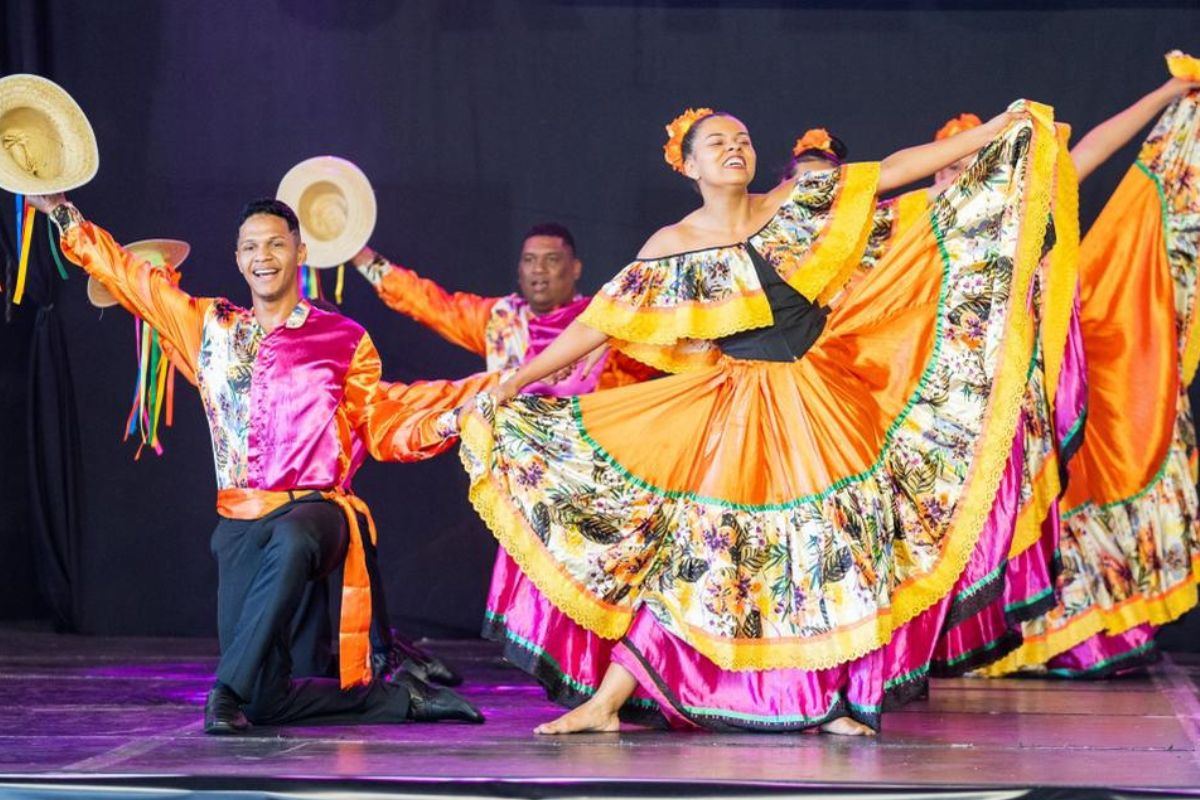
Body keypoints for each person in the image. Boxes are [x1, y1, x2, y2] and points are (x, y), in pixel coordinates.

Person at [457, 102, 1066, 735]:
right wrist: (518, 380)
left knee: (841, 541)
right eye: (717, 142)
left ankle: (837, 701)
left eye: (743, 140)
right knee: (699, 546)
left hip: (822, 398)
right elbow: (598, 323)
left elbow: (890, 171)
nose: (734, 148)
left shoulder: (794, 203)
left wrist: (993, 133)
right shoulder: (674, 244)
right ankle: (608, 701)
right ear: (689, 164)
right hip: (737, 410)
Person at [29, 193, 489, 734]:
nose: (263, 255)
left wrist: (448, 423)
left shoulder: (343, 340)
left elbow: (381, 427)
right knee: (266, 702)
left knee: (292, 541)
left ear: (300, 251)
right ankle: (396, 700)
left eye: (275, 243)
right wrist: (63, 211)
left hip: (318, 514)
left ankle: (222, 691)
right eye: (251, 246)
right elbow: (133, 279)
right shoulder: (212, 328)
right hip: (241, 520)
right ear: (238, 258)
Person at [983, 72, 1200, 677]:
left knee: (1077, 487)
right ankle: (1007, 636)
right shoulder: (953, 220)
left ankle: (1081, 634)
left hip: (1063, 363)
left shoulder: (1036, 197)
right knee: (1015, 508)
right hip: (998, 382)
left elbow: (1103, 141)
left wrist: (1167, 91)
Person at [352, 223, 656, 395]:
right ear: (519, 270)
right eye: (529, 260)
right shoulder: (499, 319)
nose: (538, 269)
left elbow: (666, 345)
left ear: (575, 268)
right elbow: (426, 303)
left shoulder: (607, 322)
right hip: (515, 468)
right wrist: (359, 254)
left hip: (592, 468)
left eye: (551, 260)